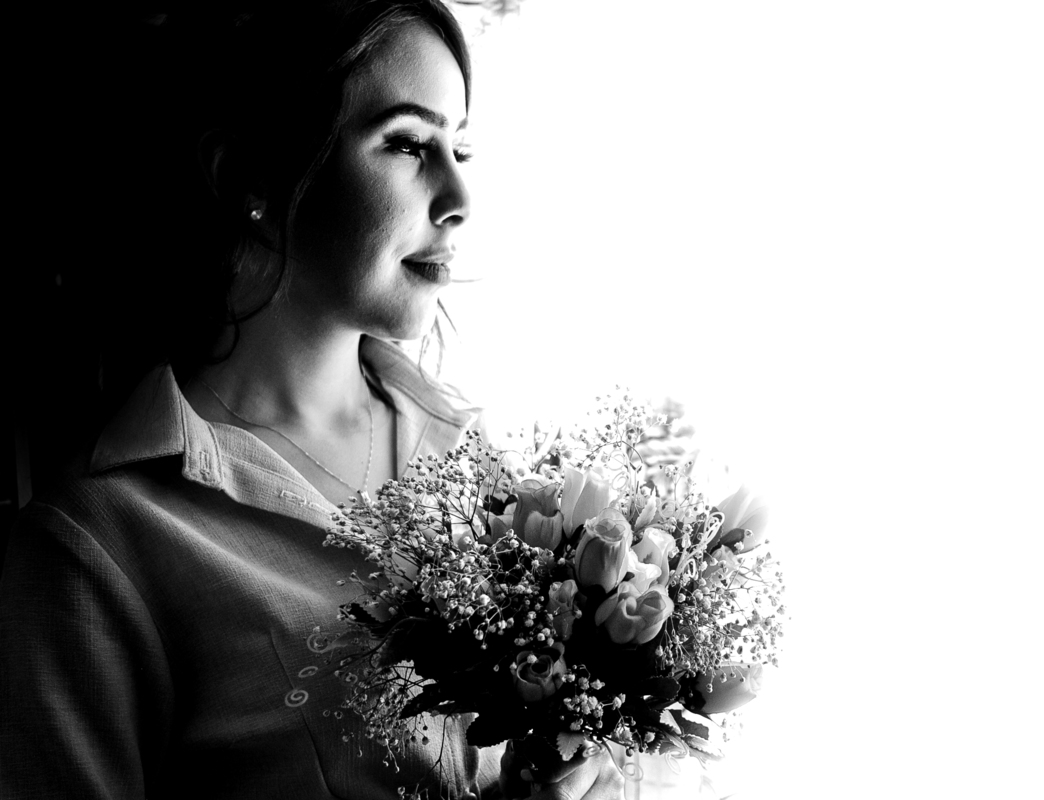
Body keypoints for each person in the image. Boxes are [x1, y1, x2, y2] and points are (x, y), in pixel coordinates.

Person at [0, 2, 624, 798]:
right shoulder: (101, 547)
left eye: (460, 148)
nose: (459, 195)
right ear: (250, 178)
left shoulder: (474, 463)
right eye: (407, 144)